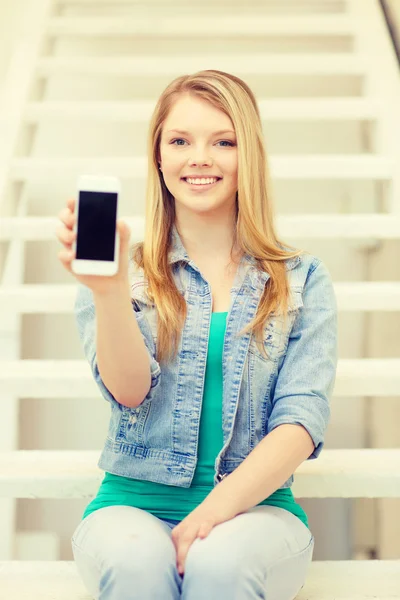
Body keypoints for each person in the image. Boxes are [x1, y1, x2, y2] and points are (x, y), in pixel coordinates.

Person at [57, 69, 338, 600]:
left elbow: (300, 424)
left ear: (247, 155)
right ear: (159, 158)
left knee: (220, 567)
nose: (200, 157)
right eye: (180, 141)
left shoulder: (303, 281)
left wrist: (210, 516)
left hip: (258, 513)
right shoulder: (121, 273)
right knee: (137, 566)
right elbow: (129, 391)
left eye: (223, 141)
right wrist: (110, 290)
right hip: (131, 505)